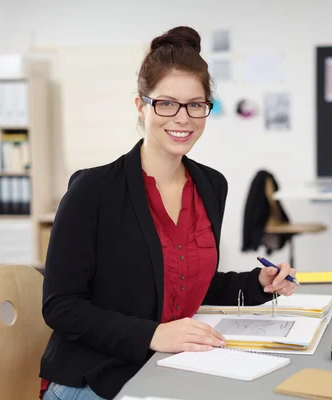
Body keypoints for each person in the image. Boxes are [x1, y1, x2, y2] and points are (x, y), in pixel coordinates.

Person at [39, 26, 298, 400]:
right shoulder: (93, 190)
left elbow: (184, 282)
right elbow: (60, 306)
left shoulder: (211, 185)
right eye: (166, 103)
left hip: (169, 365)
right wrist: (153, 334)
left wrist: (257, 283)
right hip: (97, 375)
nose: (183, 118)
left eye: (196, 104)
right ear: (141, 106)